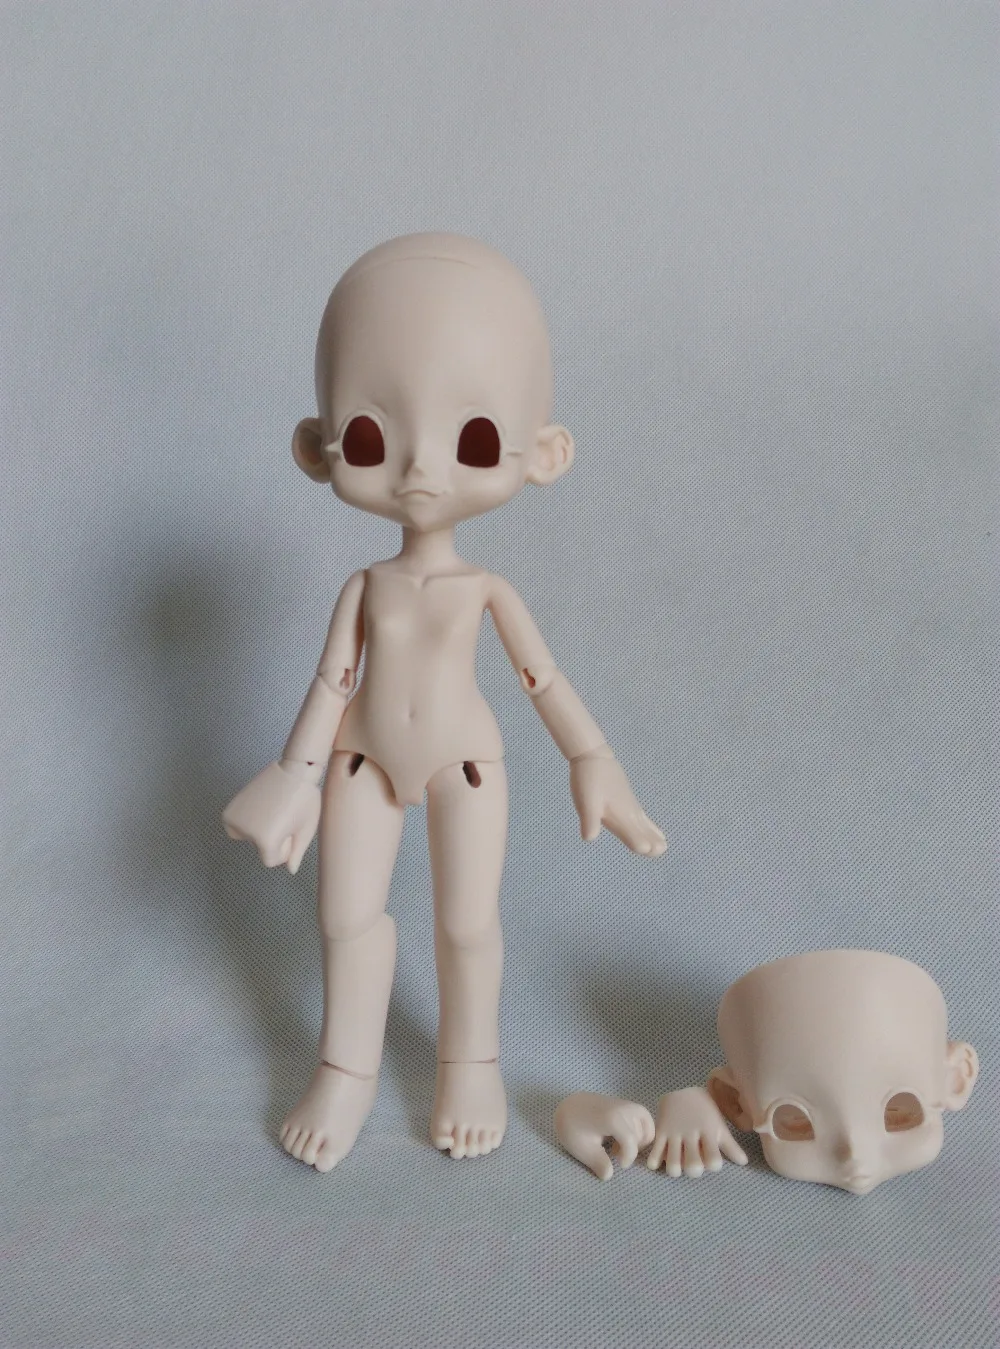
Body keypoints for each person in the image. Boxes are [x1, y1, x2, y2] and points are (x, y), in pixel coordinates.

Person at [223, 234, 666, 1172]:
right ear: (317, 447)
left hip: (465, 763)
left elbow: (543, 679)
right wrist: (294, 776)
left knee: (467, 923)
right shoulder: (364, 587)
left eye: (472, 439)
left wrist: (594, 759)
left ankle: (471, 1066)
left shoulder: (485, 590)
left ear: (544, 452)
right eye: (371, 436)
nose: (421, 467)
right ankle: (345, 1070)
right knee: (344, 916)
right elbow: (333, 683)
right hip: (361, 761)